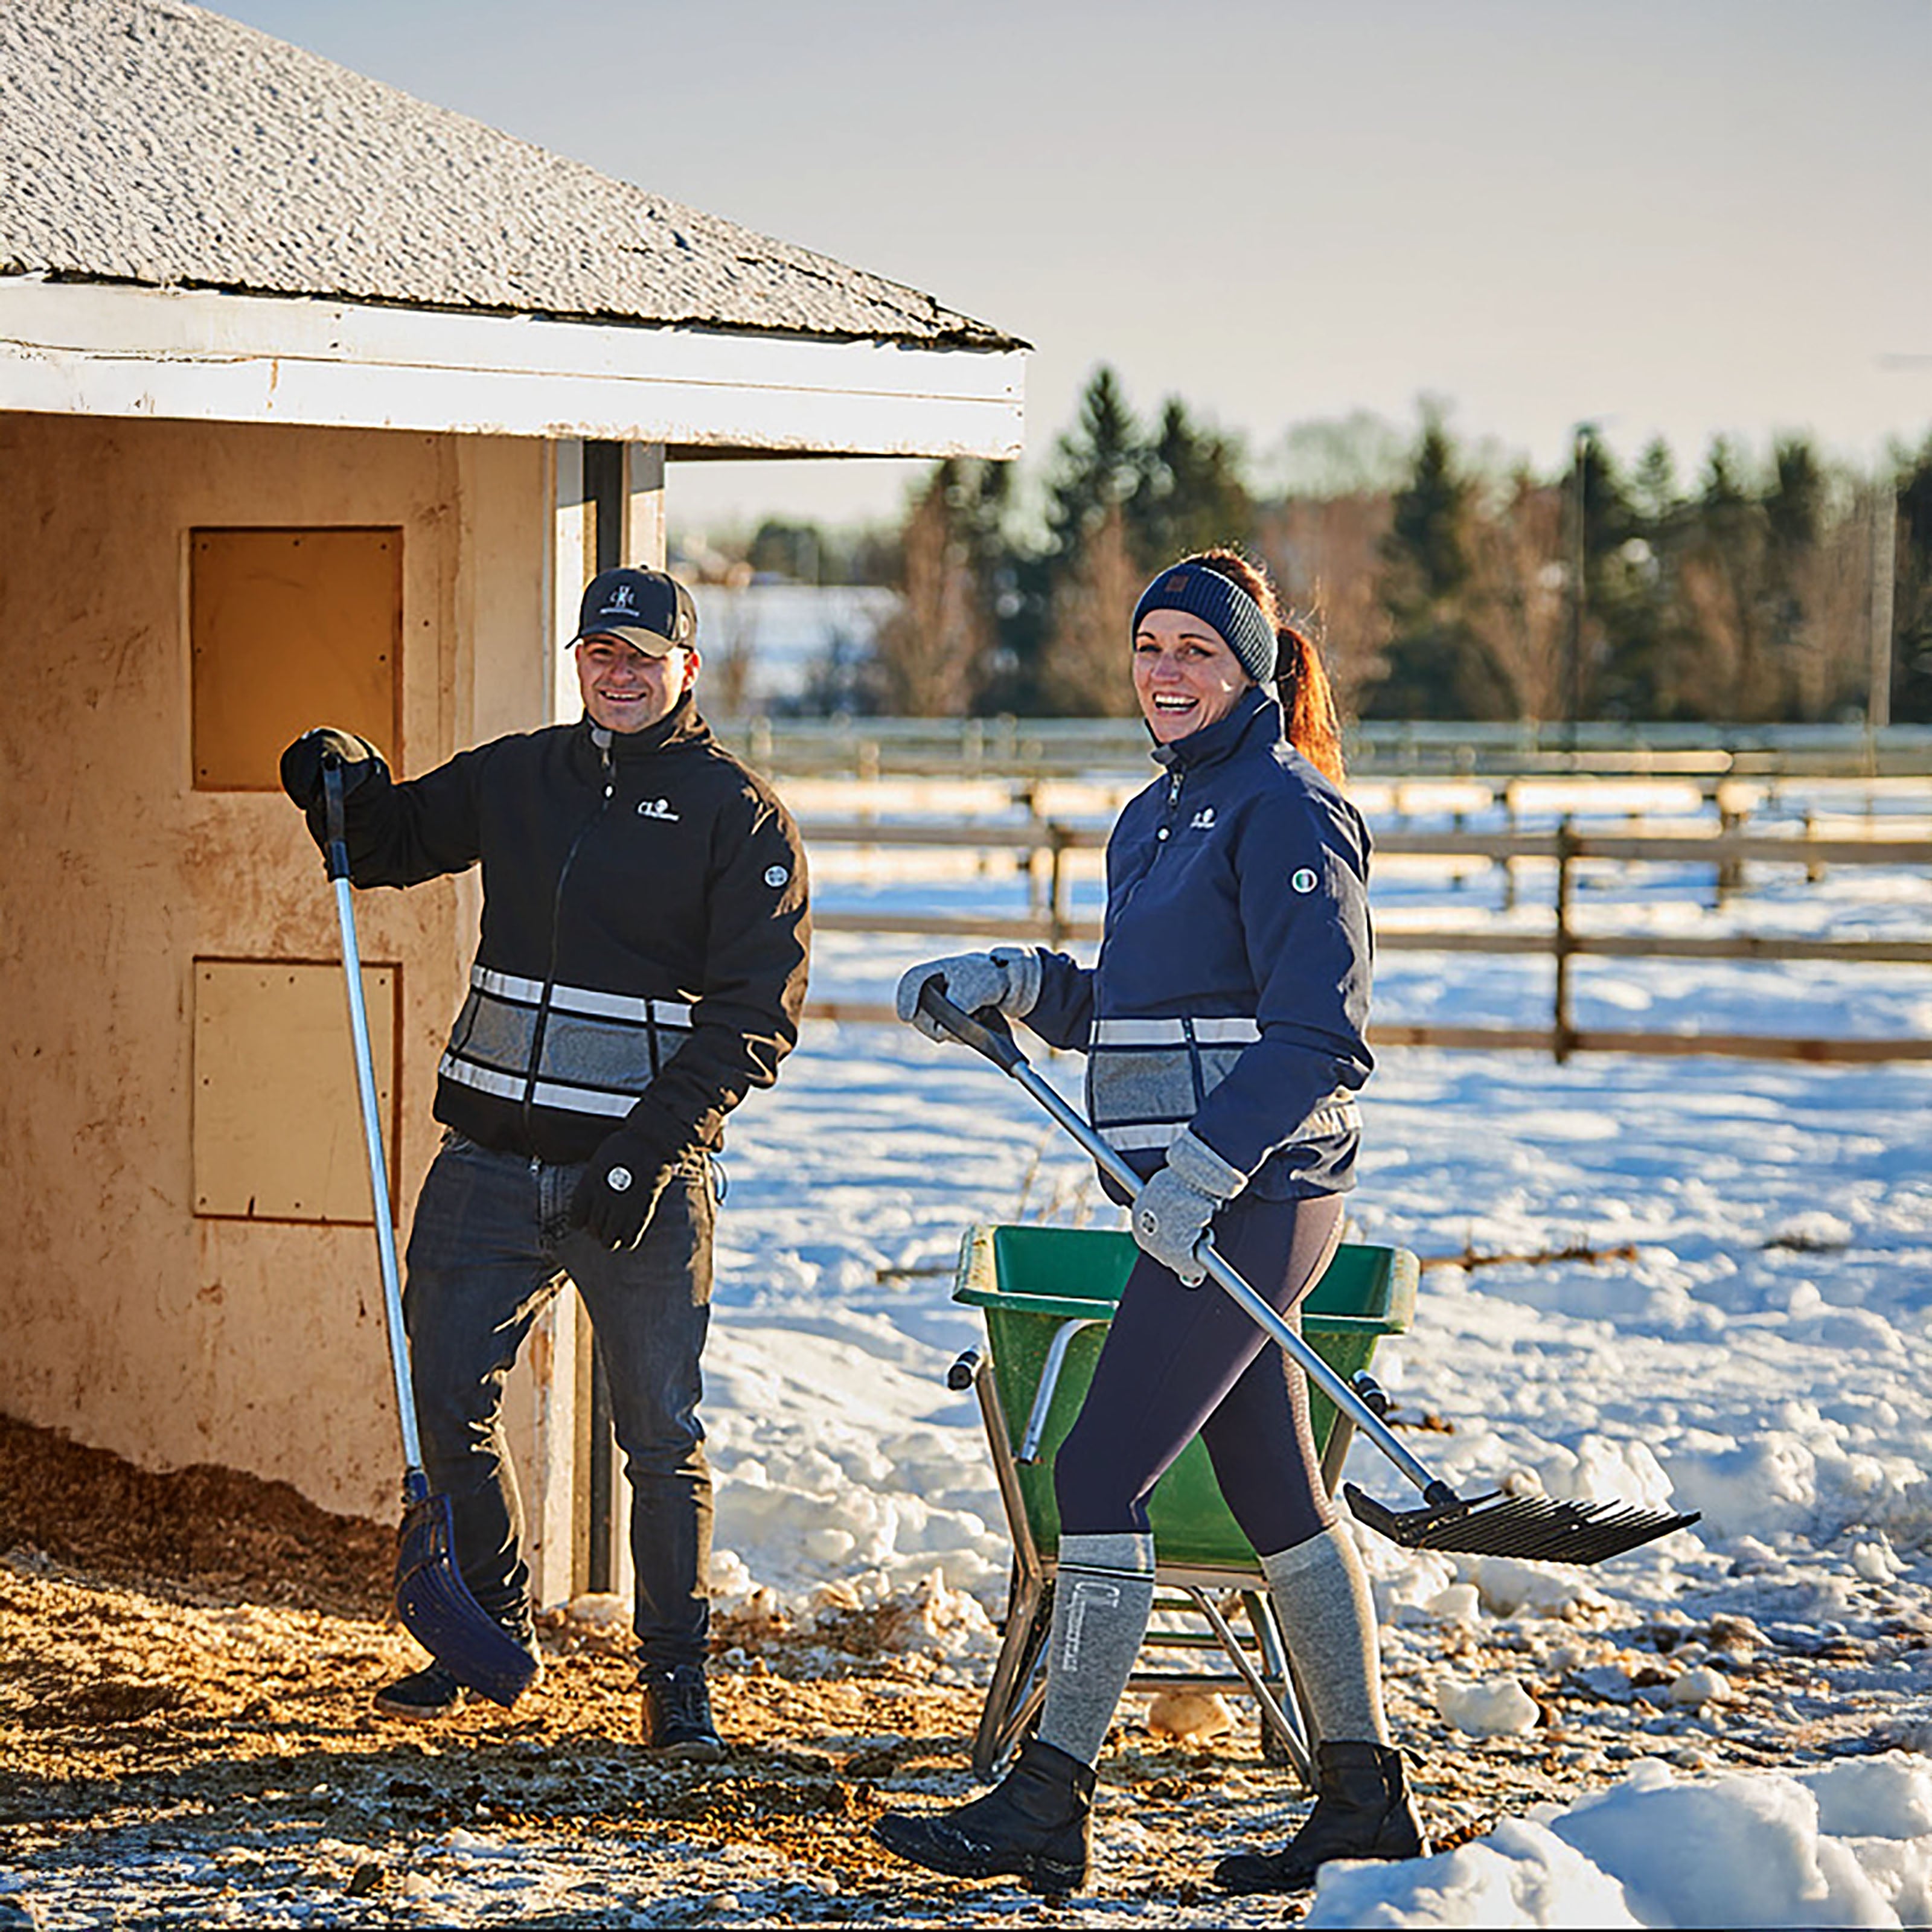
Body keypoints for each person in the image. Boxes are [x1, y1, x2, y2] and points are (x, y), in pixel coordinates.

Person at [877, 551, 1427, 1896]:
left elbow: (1316, 1037)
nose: (1166, 671)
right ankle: (1362, 1796)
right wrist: (1017, 983)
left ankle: (1050, 1796)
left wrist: (1202, 1172)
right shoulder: (1153, 814)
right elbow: (1135, 1006)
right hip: (1184, 1198)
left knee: (1096, 1468)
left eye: (1196, 648)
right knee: (1274, 1492)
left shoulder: (1291, 809)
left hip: (1258, 1193)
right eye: (1149, 647)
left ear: (1255, 668)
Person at [279, 566, 809, 1759]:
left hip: (643, 1180)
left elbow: (753, 1020)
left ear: (687, 666)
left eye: (644, 656)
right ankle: (483, 1630)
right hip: (489, 1166)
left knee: (660, 1437)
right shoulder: (521, 775)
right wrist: (339, 778)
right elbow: (390, 843)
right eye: (599, 654)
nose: (619, 675)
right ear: (578, 662)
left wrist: (638, 1159)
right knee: (446, 1400)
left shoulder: (738, 815)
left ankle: (676, 1686)